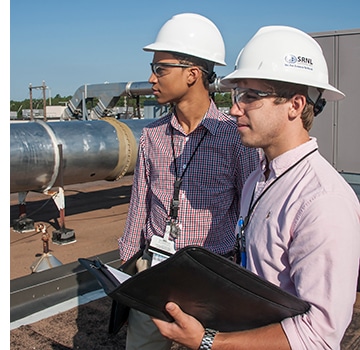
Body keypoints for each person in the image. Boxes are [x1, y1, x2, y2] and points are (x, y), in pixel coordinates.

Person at [152, 25, 360, 349]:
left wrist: (209, 342)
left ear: (294, 104)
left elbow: (318, 336)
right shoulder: (259, 179)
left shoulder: (323, 202)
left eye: (251, 96)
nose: (235, 108)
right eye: (237, 96)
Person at [117, 13, 259, 350]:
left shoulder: (235, 137)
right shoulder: (151, 135)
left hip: (212, 276)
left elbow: (251, 211)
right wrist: (127, 268)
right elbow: (140, 204)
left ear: (192, 74)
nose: (152, 78)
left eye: (160, 69)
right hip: (156, 270)